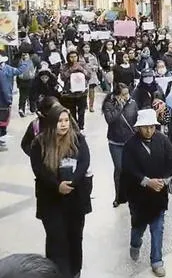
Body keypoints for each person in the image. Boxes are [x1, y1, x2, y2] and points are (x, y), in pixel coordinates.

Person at [29, 105, 92, 278]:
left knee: (74, 238)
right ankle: (56, 272)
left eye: (66, 121)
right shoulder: (40, 143)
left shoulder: (78, 139)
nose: (63, 125)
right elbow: (39, 169)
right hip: (51, 200)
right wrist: (57, 185)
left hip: (75, 199)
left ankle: (74, 271)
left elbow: (84, 162)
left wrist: (72, 182)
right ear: (51, 123)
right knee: (56, 239)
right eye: (59, 121)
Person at [122, 109, 172, 277]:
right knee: (138, 228)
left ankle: (157, 260)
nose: (149, 130)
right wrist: (146, 181)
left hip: (158, 194)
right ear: (138, 128)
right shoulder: (130, 145)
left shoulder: (162, 140)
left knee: (158, 228)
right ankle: (135, 244)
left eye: (152, 127)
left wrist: (165, 179)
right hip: (138, 196)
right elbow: (127, 169)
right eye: (145, 127)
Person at [102, 83, 138, 207]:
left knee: (132, 169)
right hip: (115, 142)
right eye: (123, 95)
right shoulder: (109, 104)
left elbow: (136, 120)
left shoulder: (133, 103)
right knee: (119, 168)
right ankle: (118, 195)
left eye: (128, 94)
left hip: (130, 141)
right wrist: (119, 107)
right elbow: (110, 120)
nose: (126, 97)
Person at [59, 49, 90, 131]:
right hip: (70, 94)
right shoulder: (64, 66)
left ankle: (81, 127)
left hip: (82, 93)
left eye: (75, 56)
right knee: (72, 112)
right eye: (71, 57)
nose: (73, 59)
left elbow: (89, 75)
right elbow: (63, 77)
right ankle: (74, 127)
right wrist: (71, 70)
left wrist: (81, 69)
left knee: (81, 112)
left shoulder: (83, 65)